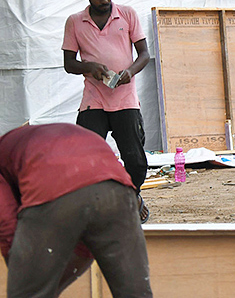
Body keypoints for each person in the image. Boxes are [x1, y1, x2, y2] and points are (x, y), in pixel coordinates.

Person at [0, 123, 152, 298]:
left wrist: (22, 273)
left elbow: (6, 226)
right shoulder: (18, 142)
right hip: (118, 190)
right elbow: (85, 237)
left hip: (54, 185)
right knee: (135, 293)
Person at [62, 0, 152, 223]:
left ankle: (132, 194)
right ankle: (96, 205)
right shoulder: (74, 22)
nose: (104, 1)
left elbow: (144, 54)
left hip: (125, 99)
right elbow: (69, 64)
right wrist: (89, 67)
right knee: (83, 155)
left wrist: (129, 72)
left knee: (135, 160)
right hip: (94, 100)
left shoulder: (127, 14)